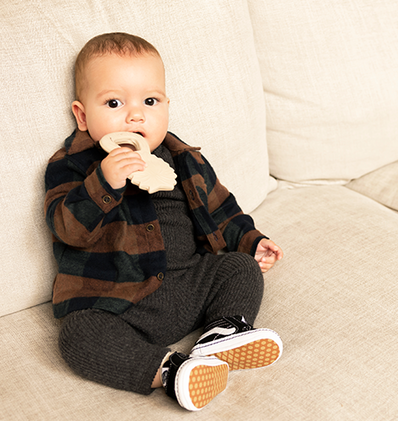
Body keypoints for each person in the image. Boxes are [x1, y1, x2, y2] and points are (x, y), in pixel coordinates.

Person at [44, 32, 283, 411]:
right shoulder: (72, 166)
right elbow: (66, 228)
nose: (136, 115)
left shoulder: (184, 158)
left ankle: (220, 333)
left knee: (239, 268)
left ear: (167, 106)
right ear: (82, 115)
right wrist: (104, 182)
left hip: (189, 283)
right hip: (119, 303)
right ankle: (171, 370)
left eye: (150, 101)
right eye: (114, 102)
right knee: (76, 336)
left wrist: (251, 240)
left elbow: (221, 209)